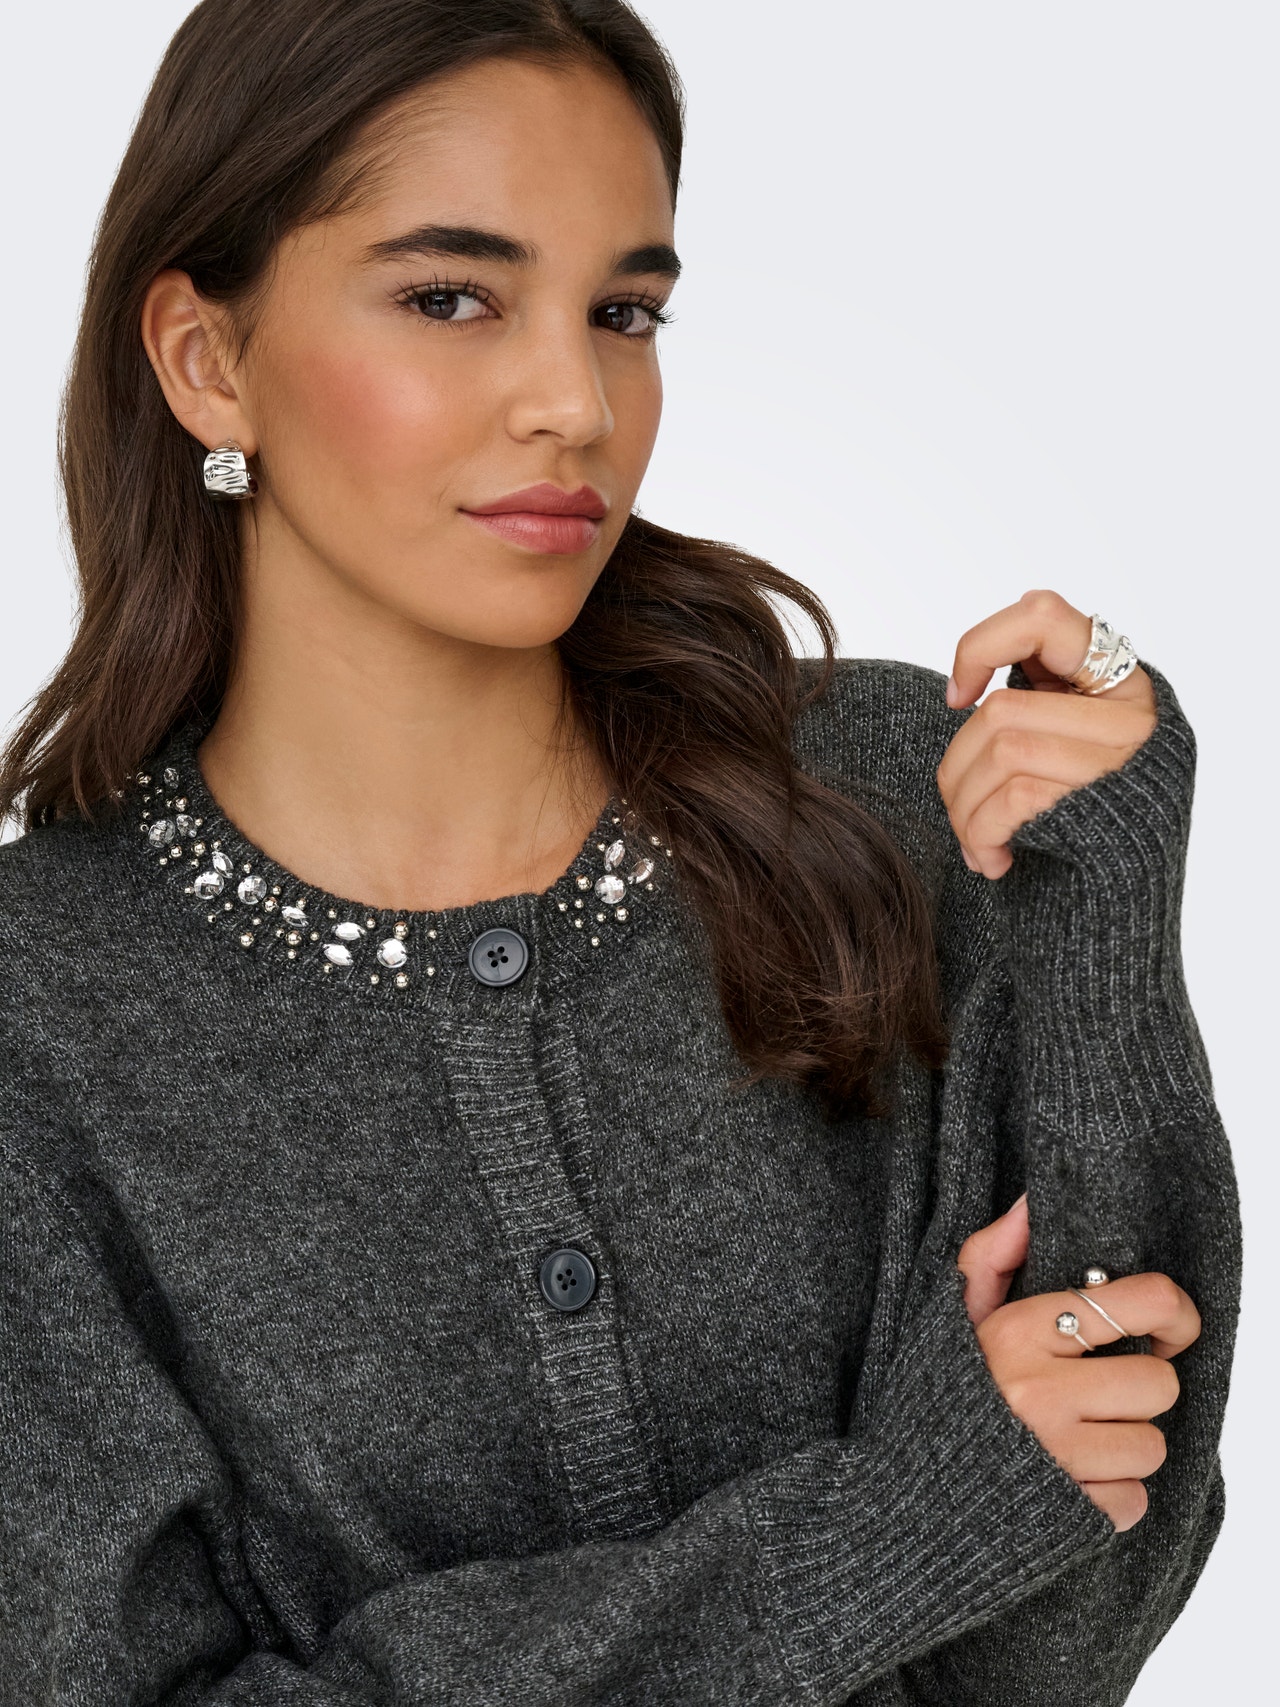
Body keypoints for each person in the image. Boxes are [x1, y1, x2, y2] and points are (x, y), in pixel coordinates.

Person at [0, 2, 1240, 1702]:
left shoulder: (892, 797)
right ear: (208, 359)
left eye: (624, 312)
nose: (575, 403)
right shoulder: (39, 1020)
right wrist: (880, 1535)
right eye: (452, 298)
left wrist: (1103, 916)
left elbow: (1073, 1616)